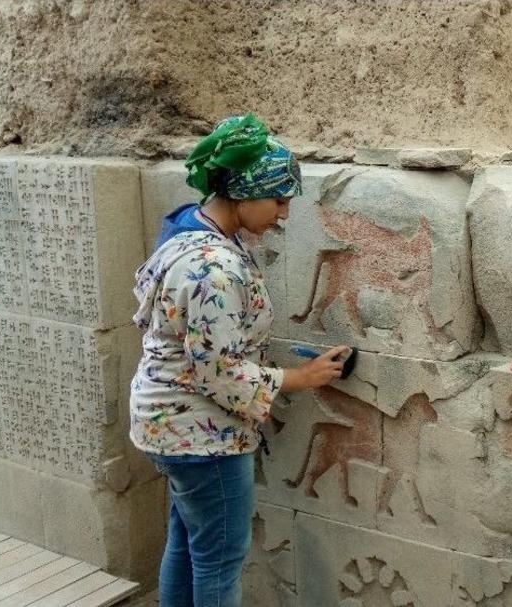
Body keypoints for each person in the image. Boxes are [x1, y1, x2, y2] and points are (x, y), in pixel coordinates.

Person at [129, 114, 351, 607]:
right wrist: (299, 377)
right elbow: (217, 370)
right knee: (218, 561)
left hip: (167, 425)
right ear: (244, 195)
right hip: (201, 436)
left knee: (189, 545)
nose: (285, 214)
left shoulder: (188, 229)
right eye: (279, 200)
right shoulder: (215, 268)